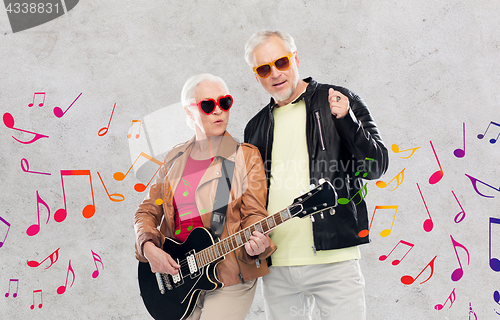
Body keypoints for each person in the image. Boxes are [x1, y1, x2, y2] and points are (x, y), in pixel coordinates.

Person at [243, 31, 389, 320]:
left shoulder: (338, 100)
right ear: (256, 76)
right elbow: (253, 197)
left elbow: (377, 166)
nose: (275, 73)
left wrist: (348, 121)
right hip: (278, 266)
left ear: (295, 58)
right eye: (264, 68)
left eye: (281, 62)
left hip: (334, 260)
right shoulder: (255, 127)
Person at [135, 73, 276, 320]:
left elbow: (254, 213)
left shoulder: (244, 156)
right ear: (189, 113)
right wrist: (148, 246)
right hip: (177, 278)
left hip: (229, 274)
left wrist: (258, 241)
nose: (219, 111)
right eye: (208, 105)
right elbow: (148, 209)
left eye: (225, 102)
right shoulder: (173, 159)